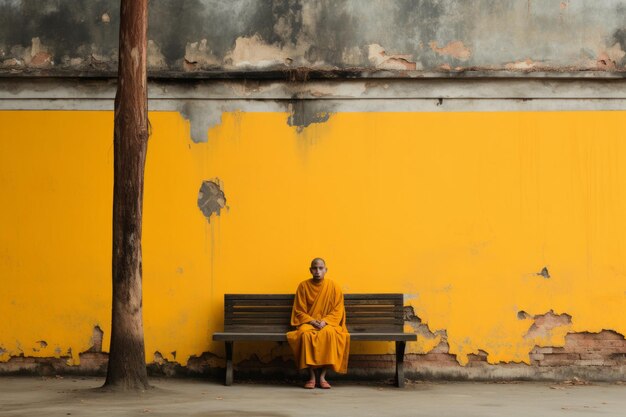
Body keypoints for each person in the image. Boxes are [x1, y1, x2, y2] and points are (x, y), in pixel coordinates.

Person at [286, 258, 350, 389]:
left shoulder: (333, 287)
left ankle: (323, 376)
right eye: (315, 268)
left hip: (328, 323)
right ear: (310, 270)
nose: (317, 271)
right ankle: (312, 376)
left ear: (326, 270)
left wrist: (325, 322)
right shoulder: (303, 286)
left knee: (330, 334)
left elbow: (338, 310)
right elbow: (299, 310)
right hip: (309, 322)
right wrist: (312, 321)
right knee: (304, 334)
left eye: (321, 268)